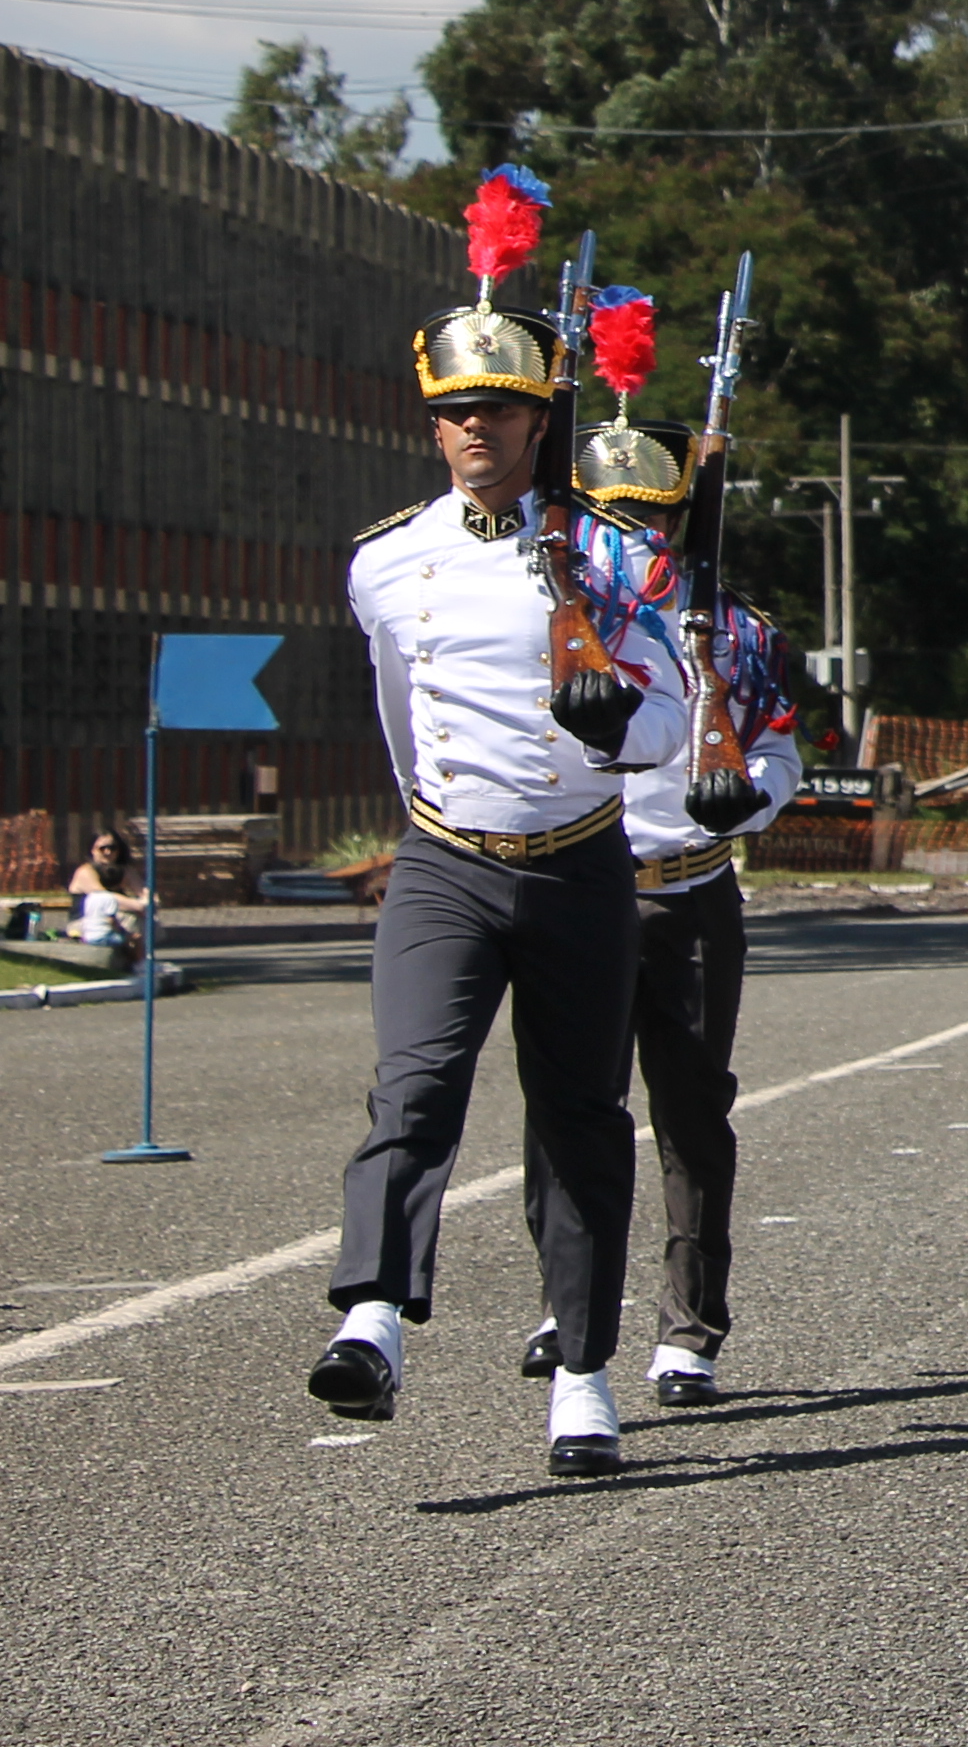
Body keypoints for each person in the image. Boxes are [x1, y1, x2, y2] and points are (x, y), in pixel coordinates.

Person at [313, 198, 692, 1478]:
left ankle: (581, 1370)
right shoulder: (384, 560)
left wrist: (615, 715)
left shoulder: (611, 553)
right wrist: (437, 826)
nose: (476, 430)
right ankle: (373, 1312)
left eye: (501, 411)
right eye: (456, 412)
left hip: (580, 859)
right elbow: (398, 719)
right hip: (445, 856)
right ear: (434, 423)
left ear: (541, 422)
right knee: (414, 1085)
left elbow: (673, 719)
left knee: (581, 1113)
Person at [516, 404, 804, 1410]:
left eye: (652, 512)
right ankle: (570, 1299)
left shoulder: (737, 627)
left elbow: (778, 745)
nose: (634, 532)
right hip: (582, 888)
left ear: (681, 517)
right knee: (566, 1108)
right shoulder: (552, 611)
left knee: (691, 1115)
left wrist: (750, 796)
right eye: (612, 510)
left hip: (688, 892)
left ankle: (690, 1327)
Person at [61, 830, 148, 949]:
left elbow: (143, 890)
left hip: (112, 918)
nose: (108, 852)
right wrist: (139, 906)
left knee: (144, 919)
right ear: (92, 850)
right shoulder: (85, 872)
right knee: (130, 918)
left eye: (112, 848)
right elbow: (106, 898)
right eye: (102, 848)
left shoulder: (125, 870)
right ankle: (136, 961)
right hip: (85, 922)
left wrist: (150, 901)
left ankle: (140, 959)